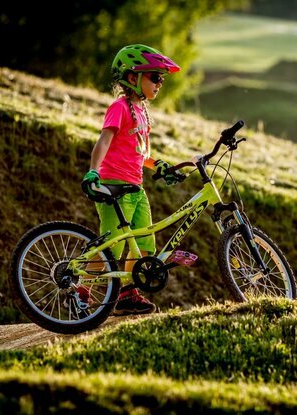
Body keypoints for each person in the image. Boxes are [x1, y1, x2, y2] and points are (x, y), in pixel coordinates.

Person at [80, 44, 184, 315]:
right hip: (114, 185)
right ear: (131, 78)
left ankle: (127, 293)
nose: (159, 83)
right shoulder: (119, 107)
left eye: (162, 79)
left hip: (136, 187)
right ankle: (81, 291)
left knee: (145, 244)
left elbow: (140, 153)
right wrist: (93, 171)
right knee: (111, 245)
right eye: (155, 77)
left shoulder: (142, 112)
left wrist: (159, 166)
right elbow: (104, 141)